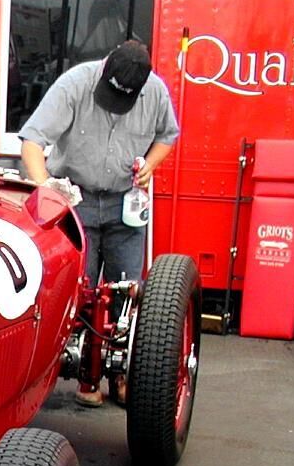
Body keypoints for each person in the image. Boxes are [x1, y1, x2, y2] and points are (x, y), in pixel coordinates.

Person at [18, 40, 180, 406]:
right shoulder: (75, 84)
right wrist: (48, 188)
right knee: (80, 292)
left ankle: (122, 377)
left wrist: (151, 164)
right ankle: (84, 378)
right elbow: (32, 140)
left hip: (126, 202)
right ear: (104, 71)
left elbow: (168, 136)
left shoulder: (155, 92)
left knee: (130, 296)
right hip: (78, 198)